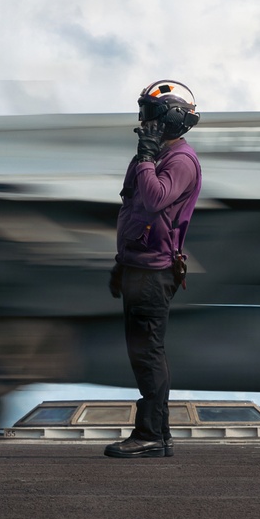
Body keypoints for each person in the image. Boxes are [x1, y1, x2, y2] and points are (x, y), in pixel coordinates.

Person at [104, 80, 202, 459]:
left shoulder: (179, 161)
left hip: (153, 271)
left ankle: (149, 435)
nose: (142, 119)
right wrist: (120, 263)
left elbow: (155, 198)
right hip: (136, 266)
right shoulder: (154, 155)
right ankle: (158, 434)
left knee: (148, 353)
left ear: (169, 119)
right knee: (143, 352)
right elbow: (133, 211)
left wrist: (146, 157)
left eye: (148, 112)